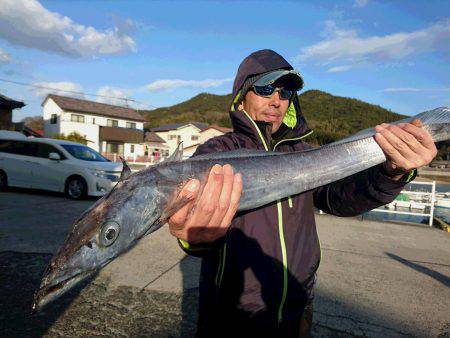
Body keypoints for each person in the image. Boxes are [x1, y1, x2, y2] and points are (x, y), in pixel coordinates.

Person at [167, 49, 437, 337]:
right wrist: (193, 237)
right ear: (242, 95)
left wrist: (392, 173)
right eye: (265, 88)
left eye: (285, 93)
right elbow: (193, 225)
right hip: (233, 314)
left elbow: (339, 198)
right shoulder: (217, 153)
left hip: (298, 306)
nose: (276, 100)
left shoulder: (307, 154)